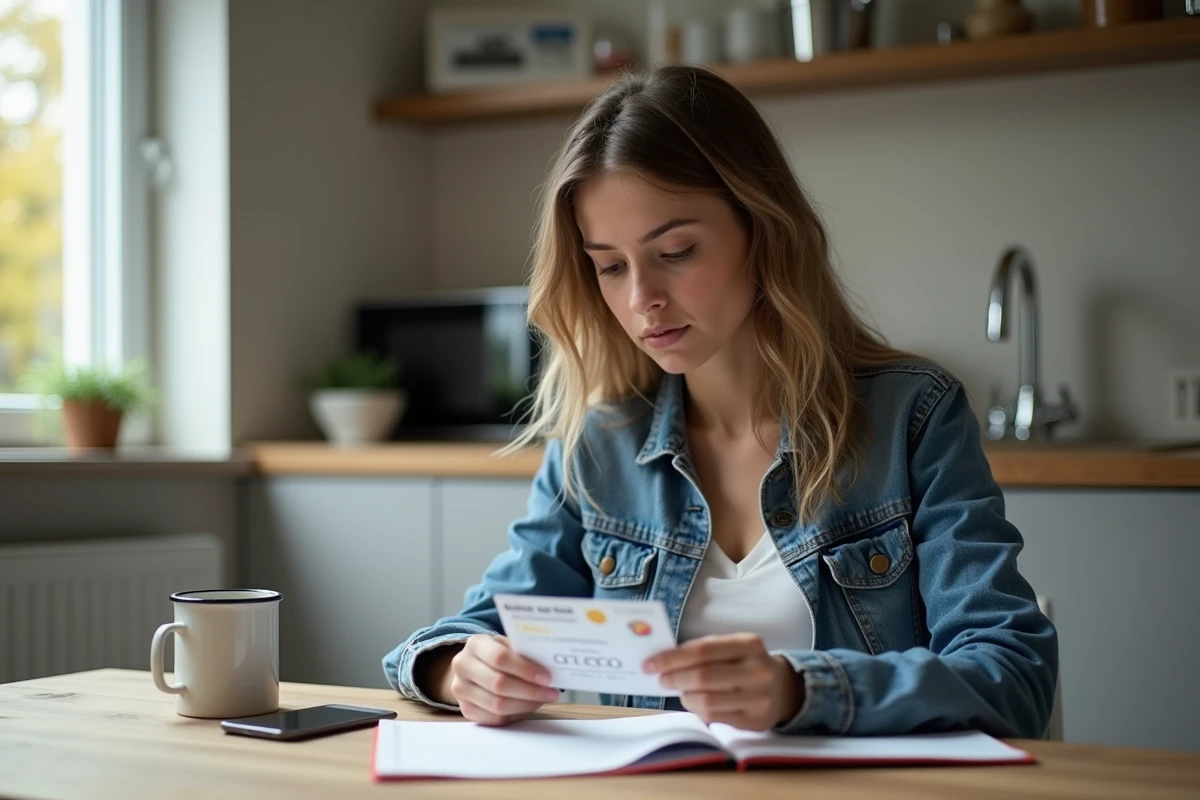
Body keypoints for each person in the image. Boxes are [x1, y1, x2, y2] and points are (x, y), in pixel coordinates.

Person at [382, 66, 1058, 737]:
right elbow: (468, 634)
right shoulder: (599, 444)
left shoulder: (913, 417)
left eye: (675, 250)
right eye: (610, 266)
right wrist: (457, 669)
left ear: (763, 231)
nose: (641, 298)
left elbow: (1013, 672)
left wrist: (800, 690)